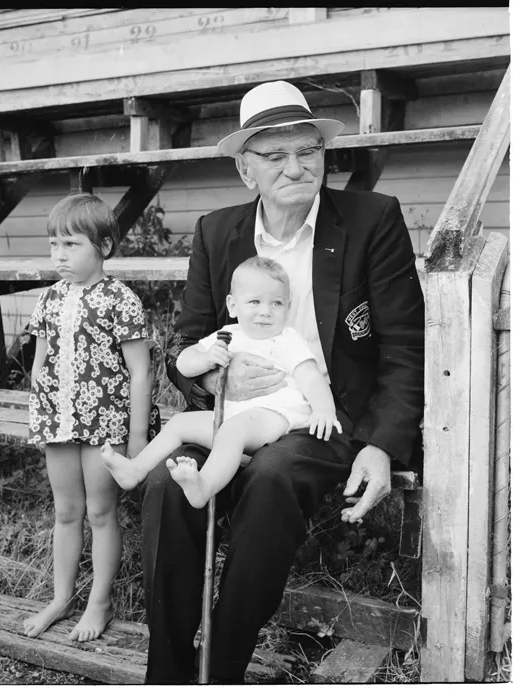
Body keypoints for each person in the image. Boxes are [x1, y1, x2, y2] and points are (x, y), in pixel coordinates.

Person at [139, 80, 425, 683]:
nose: (296, 167)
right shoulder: (218, 232)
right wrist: (219, 374)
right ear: (247, 170)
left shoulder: (373, 219)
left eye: (308, 151)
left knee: (273, 475)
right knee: (167, 490)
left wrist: (382, 443)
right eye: (275, 155)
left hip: (323, 415)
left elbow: (404, 344)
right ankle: (165, 672)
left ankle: (220, 669)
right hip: (236, 411)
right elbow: (183, 346)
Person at [102, 256, 342, 508]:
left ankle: (203, 486)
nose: (265, 311)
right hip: (232, 420)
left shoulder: (286, 340)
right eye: (254, 301)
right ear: (233, 305)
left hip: (274, 418)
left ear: (288, 307)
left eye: (277, 303)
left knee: (233, 430)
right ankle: (135, 470)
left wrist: (324, 410)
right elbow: (184, 361)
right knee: (180, 423)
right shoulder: (228, 335)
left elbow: (312, 378)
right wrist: (206, 359)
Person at [22, 193, 153, 643]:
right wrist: (42, 405)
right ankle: (61, 598)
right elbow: (39, 363)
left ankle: (99, 600)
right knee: (66, 511)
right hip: (58, 420)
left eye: (71, 245)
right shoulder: (49, 298)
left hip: (105, 423)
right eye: (54, 244)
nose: (59, 255)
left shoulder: (120, 299)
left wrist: (136, 440)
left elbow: (139, 372)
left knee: (99, 511)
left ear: (104, 247)